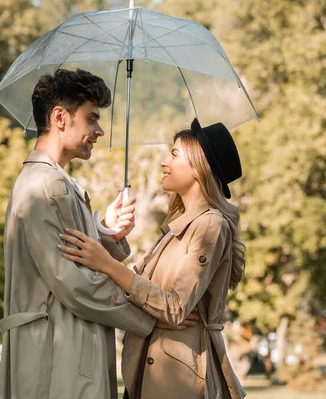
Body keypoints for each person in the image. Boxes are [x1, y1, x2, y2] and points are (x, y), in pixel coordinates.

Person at [0, 69, 197, 399]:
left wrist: (107, 234)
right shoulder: (45, 186)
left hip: (65, 355)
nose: (100, 131)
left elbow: (74, 260)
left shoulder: (54, 183)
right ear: (60, 117)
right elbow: (75, 286)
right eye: (91, 119)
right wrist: (153, 317)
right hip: (55, 363)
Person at [59, 118, 247, 399]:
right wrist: (110, 236)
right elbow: (140, 291)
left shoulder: (211, 225)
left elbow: (174, 307)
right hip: (152, 368)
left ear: (199, 166)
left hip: (178, 378)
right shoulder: (177, 226)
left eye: (174, 154)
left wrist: (106, 263)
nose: (164, 163)